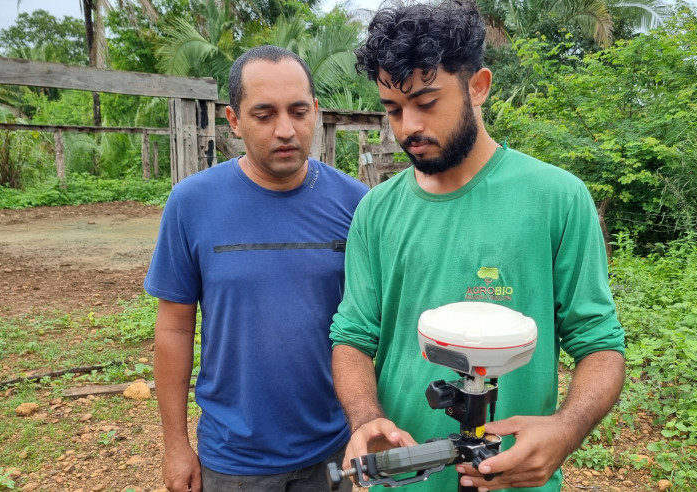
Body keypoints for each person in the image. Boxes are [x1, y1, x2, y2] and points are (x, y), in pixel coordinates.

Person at [329, 2, 626, 491]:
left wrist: (565, 431)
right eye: (392, 109)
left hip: (516, 481)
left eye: (426, 103)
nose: (407, 128)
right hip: (403, 479)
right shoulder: (376, 210)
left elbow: (599, 342)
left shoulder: (555, 197)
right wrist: (365, 419)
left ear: (478, 86)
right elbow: (354, 336)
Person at [145, 45, 368, 492]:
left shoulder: (357, 204)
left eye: (298, 111)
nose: (285, 130)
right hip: (233, 458)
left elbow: (371, 324)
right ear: (233, 119)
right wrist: (175, 444)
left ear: (316, 113)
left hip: (332, 449)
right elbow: (173, 328)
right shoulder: (192, 203)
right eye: (264, 114)